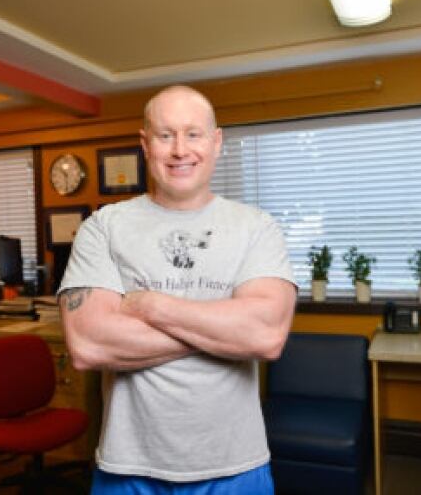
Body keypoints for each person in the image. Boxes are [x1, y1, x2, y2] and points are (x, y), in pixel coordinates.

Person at [58, 85, 297, 494]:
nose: (179, 150)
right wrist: (222, 327)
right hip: (129, 468)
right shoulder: (103, 226)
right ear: (145, 144)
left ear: (216, 141)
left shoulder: (257, 226)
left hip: (235, 467)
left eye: (193, 133)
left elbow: (266, 336)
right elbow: (88, 344)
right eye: (165, 135)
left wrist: (150, 305)